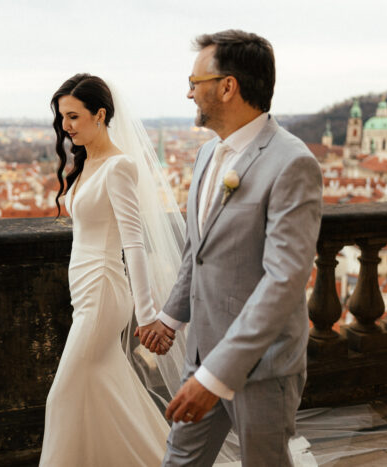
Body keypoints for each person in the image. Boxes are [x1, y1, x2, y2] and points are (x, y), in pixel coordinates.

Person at [143, 30, 323, 466]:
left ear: (227, 86)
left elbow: (284, 280)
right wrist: (170, 316)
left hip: (261, 366)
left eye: (195, 82)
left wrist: (217, 374)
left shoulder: (292, 162)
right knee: (180, 461)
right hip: (201, 350)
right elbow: (197, 252)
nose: (188, 93)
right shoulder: (208, 156)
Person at [39, 73, 183, 467]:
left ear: (100, 114)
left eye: (73, 116)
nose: (65, 127)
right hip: (86, 290)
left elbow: (134, 243)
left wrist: (149, 313)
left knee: (62, 394)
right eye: (62, 117)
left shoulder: (118, 166)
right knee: (105, 387)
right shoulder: (88, 162)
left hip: (103, 290)